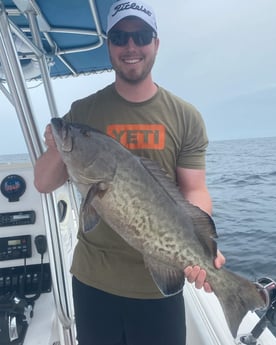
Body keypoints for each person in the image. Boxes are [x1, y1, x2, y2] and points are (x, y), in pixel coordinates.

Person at [34, 1, 225, 344]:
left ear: (156, 43)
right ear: (109, 44)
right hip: (93, 282)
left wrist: (199, 246)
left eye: (141, 36)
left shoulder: (186, 116)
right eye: (120, 37)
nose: (131, 46)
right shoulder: (84, 112)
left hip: (157, 288)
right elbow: (44, 182)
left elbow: (195, 189)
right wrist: (55, 146)